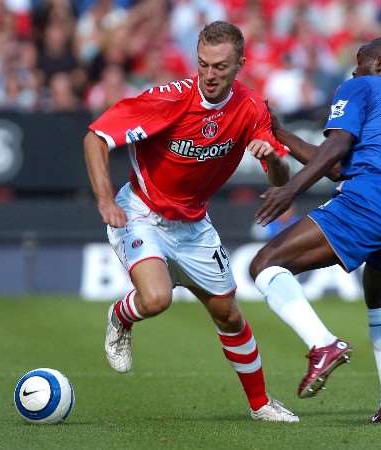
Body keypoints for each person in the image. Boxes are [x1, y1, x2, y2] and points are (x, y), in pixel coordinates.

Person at [83, 21, 299, 423]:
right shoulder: (169, 99)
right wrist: (103, 200)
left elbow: (280, 179)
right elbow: (95, 138)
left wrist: (271, 158)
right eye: (203, 64)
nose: (210, 75)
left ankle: (261, 405)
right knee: (157, 299)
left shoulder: (251, 108)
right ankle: (121, 315)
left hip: (193, 224)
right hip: (141, 213)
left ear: (239, 65)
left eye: (220, 66)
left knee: (229, 315)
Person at [249, 36, 381, 424]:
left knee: (265, 264)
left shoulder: (361, 86)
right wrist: (280, 134)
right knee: (379, 296)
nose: (353, 68)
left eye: (360, 60)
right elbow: (334, 167)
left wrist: (290, 189)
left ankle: (323, 345)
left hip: (372, 196)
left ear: (378, 61)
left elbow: (335, 148)